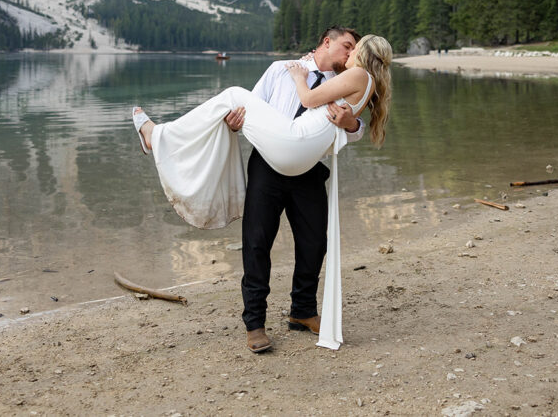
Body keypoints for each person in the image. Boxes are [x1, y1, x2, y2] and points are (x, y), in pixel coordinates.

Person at [132, 31, 393, 352]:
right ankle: (254, 323)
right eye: (346, 46)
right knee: (256, 243)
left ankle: (303, 312)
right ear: (327, 42)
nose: (349, 52)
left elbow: (352, 132)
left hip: (309, 168)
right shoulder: (281, 69)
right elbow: (250, 110)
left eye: (355, 48)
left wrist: (351, 125)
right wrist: (232, 122)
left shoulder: (346, 79)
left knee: (314, 243)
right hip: (267, 166)